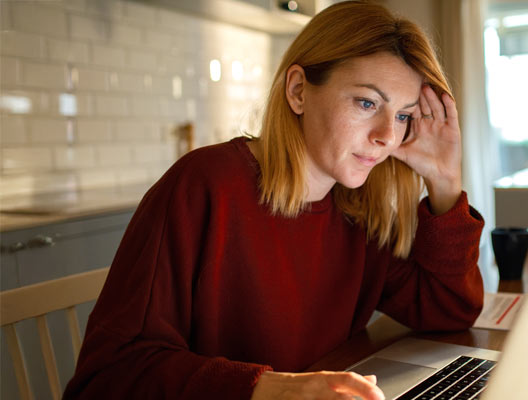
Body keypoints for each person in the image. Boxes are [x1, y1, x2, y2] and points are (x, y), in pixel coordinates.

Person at [63, 2, 484, 399]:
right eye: (367, 102)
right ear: (298, 90)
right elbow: (108, 377)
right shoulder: (204, 186)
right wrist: (273, 389)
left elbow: (447, 311)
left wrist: (445, 181)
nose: (387, 136)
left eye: (404, 115)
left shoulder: (359, 211)